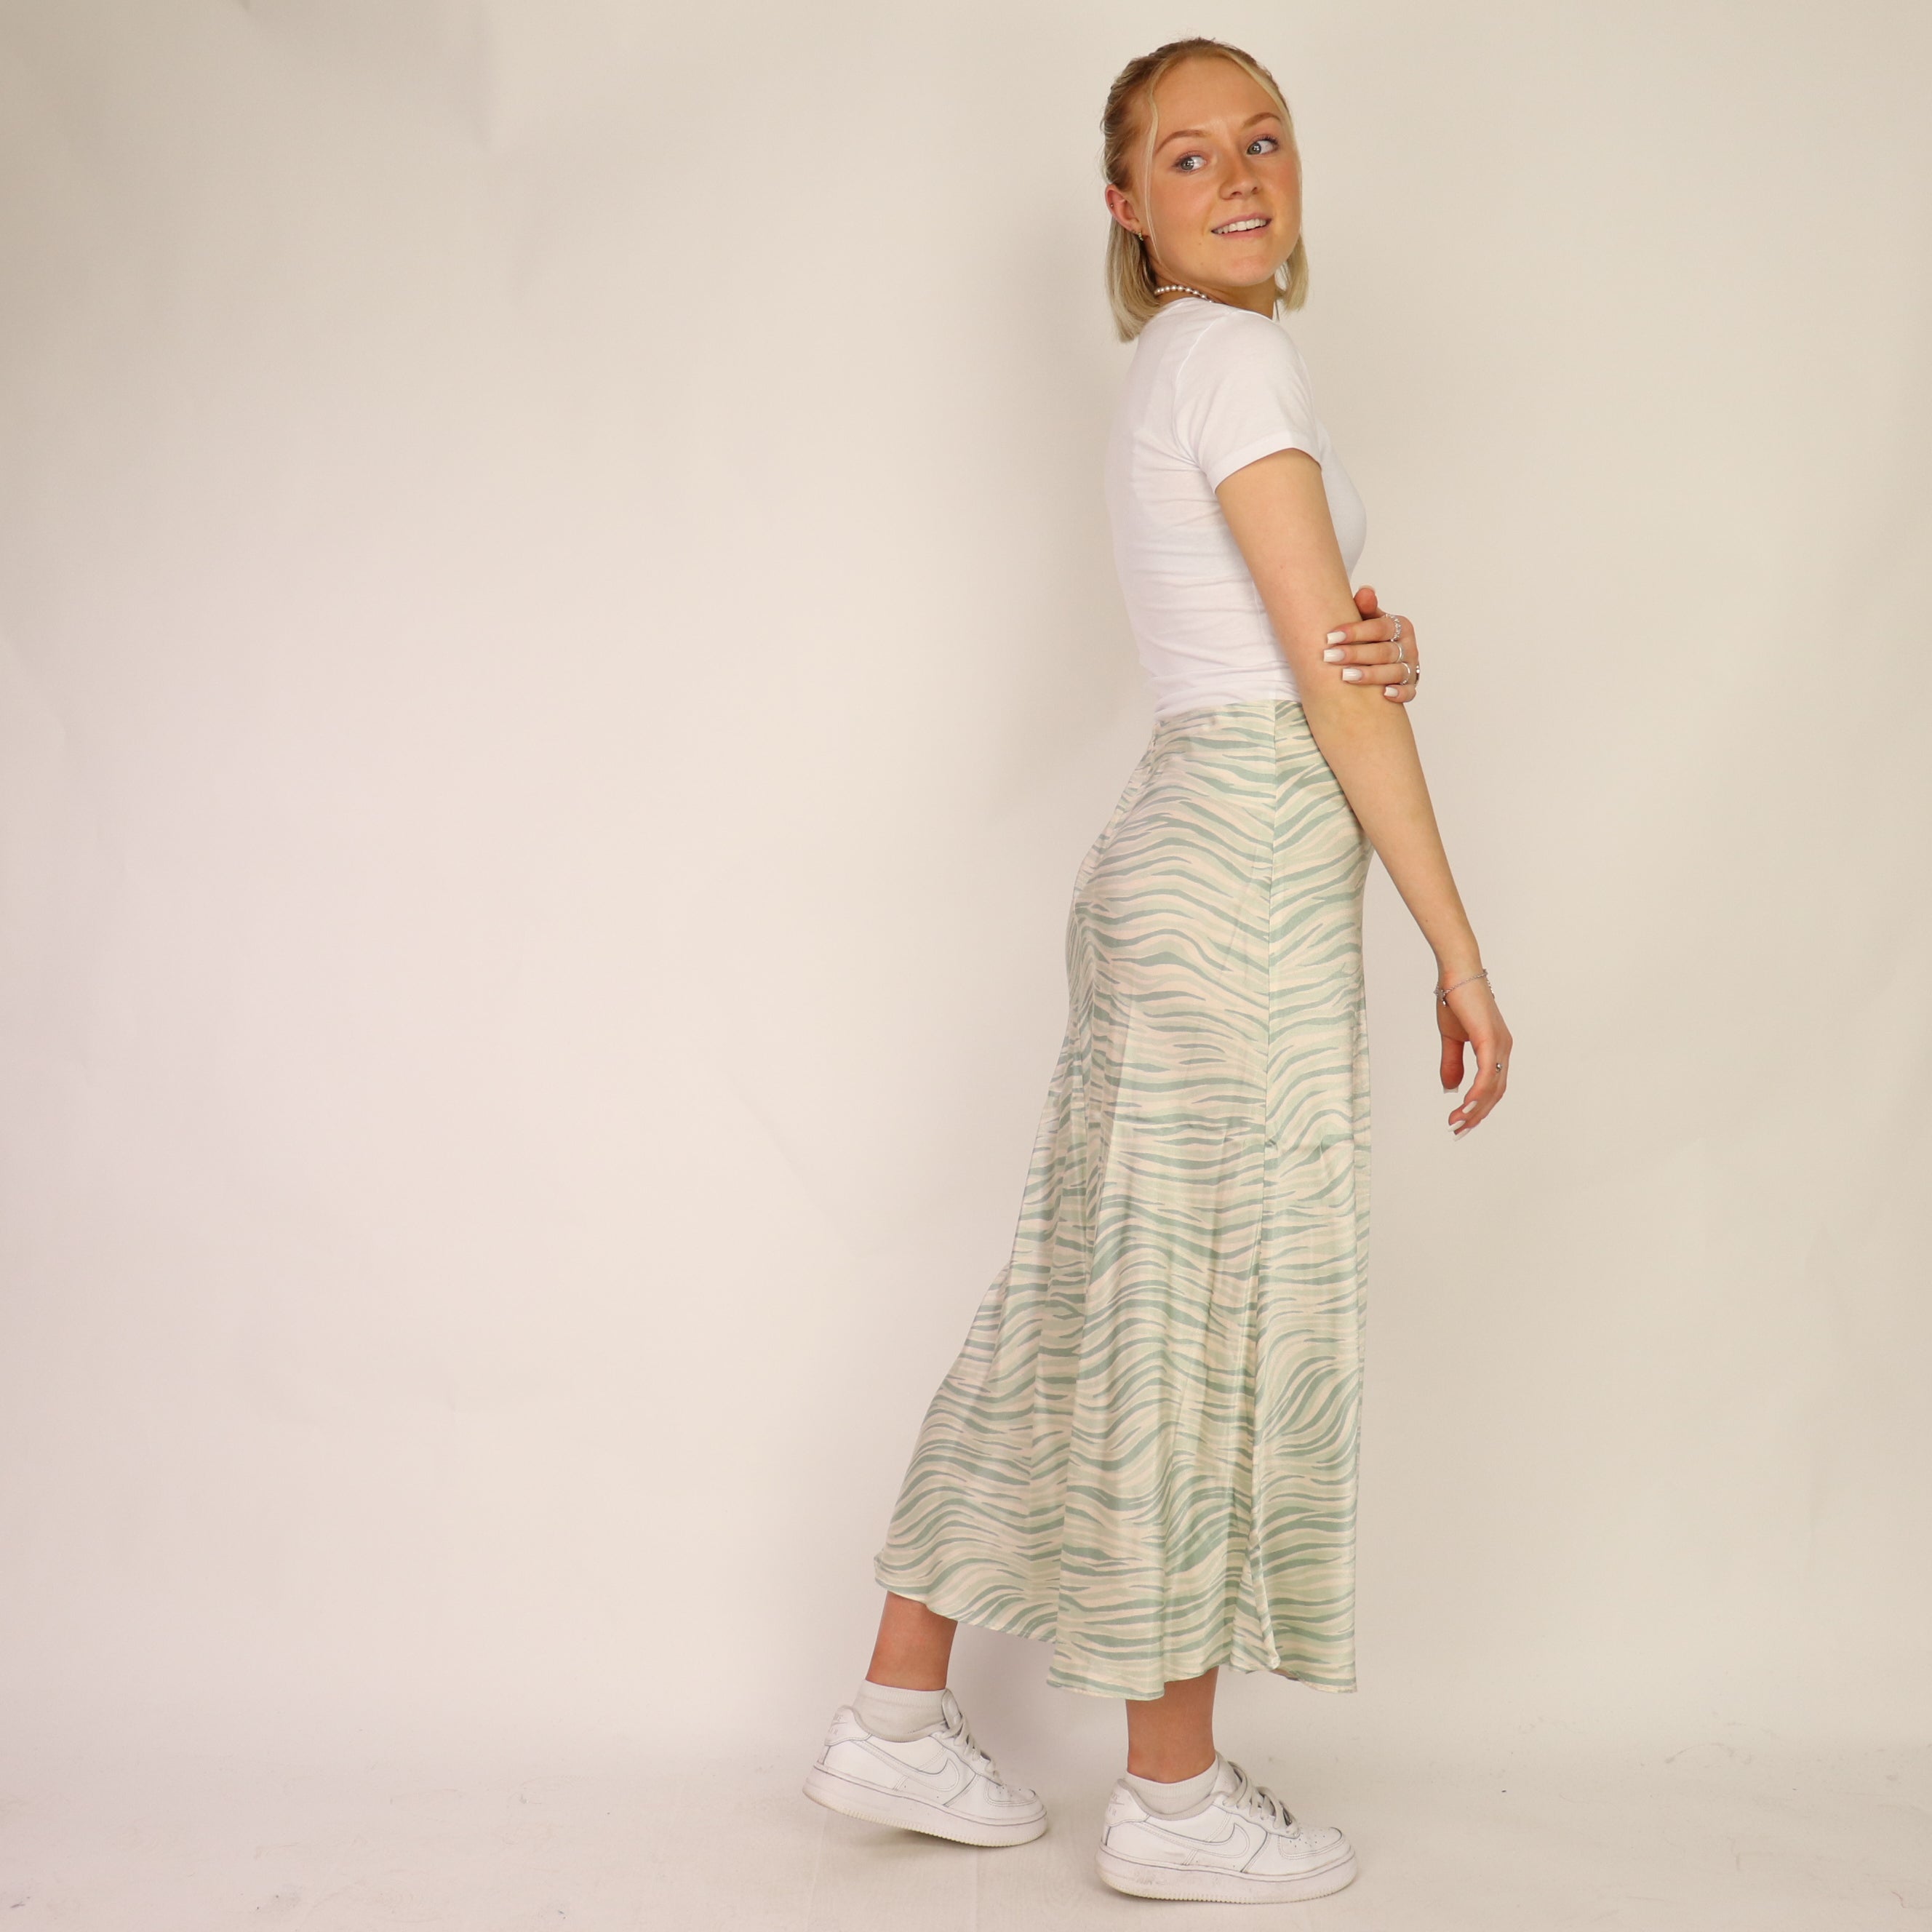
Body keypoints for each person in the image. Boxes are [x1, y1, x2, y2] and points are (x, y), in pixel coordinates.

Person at [802, 34, 1512, 1906]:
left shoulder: (1176, 368)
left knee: (1082, 1294)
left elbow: (1304, 645)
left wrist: (1358, 641)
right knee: (1191, 1324)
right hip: (1243, 871)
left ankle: (894, 1713)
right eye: (1189, 158)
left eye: (1261, 139)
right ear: (1126, 207)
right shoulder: (1239, 360)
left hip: (1172, 845)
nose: (1240, 175)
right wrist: (1456, 944)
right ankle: (1172, 1798)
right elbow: (1328, 699)